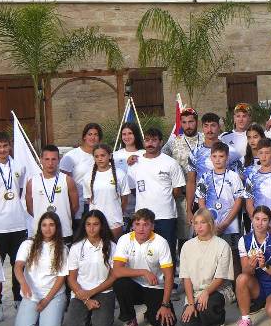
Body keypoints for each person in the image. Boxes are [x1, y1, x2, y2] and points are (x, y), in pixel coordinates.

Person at [112, 208, 177, 326]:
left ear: (152, 226)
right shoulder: (124, 240)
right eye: (137, 224)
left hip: (155, 287)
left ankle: (150, 312)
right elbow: (117, 271)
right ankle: (131, 320)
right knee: (120, 283)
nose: (141, 229)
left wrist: (165, 304)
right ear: (132, 226)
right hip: (134, 287)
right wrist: (143, 272)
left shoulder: (161, 242)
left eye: (146, 224)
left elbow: (169, 276)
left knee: (166, 325)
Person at [125, 128, 186, 263]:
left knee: (167, 254)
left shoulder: (171, 163)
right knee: (143, 254)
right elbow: (133, 189)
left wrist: (162, 199)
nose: (150, 143)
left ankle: (169, 278)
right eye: (147, 140)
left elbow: (177, 190)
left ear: (161, 142)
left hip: (166, 216)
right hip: (142, 218)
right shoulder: (135, 163)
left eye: (154, 140)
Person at [0, 131, 28, 304]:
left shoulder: (19, 167)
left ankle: (18, 299)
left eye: (5, 146)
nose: (2, 150)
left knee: (18, 263)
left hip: (18, 223)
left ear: (10, 146)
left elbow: (20, 191)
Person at [234, 206, 271, 326]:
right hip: (258, 286)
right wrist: (250, 266)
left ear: (269, 222)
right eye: (257, 219)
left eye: (264, 220)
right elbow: (245, 271)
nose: (260, 223)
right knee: (241, 278)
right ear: (251, 219)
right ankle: (245, 320)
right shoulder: (244, 240)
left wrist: (265, 267)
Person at [178, 208, 234, 326]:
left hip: (216, 290)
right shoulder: (187, 246)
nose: (199, 226)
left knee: (207, 305)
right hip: (195, 293)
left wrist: (206, 292)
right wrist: (191, 304)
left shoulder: (222, 245)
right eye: (196, 223)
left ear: (210, 224)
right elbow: (186, 278)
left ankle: (218, 318)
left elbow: (220, 277)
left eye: (203, 222)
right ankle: (205, 322)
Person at [14, 211, 68, 326]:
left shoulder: (62, 248)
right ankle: (39, 317)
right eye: (44, 225)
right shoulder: (28, 244)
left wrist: (46, 300)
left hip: (53, 295)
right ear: (39, 227)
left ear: (57, 227)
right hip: (31, 295)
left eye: (51, 225)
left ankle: (51, 316)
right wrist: (23, 283)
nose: (47, 229)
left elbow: (61, 277)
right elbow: (18, 266)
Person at [62, 209, 117, 326]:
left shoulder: (111, 246)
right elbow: (71, 279)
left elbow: (113, 276)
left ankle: (97, 316)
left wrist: (91, 292)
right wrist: (86, 299)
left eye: (95, 224)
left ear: (102, 226)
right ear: (84, 226)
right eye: (88, 224)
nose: (91, 228)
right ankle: (87, 316)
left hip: (104, 291)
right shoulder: (76, 247)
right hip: (81, 292)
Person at [195, 141, 246, 273]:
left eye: (221, 156)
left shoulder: (234, 177)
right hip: (210, 225)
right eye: (215, 156)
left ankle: (235, 285)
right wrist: (209, 222)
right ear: (211, 158)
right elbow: (201, 201)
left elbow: (238, 201)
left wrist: (226, 222)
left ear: (227, 157)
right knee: (210, 256)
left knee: (233, 256)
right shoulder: (205, 177)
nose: (218, 159)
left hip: (230, 224)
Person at [186, 113, 243, 230]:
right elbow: (191, 182)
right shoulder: (195, 153)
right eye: (206, 126)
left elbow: (239, 179)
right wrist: (188, 210)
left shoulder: (231, 152)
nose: (209, 129)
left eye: (213, 125)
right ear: (202, 128)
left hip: (227, 207)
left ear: (219, 127)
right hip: (202, 203)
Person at [162, 106, 203, 249]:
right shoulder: (173, 142)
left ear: (196, 122)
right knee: (184, 236)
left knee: (204, 234)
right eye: (184, 122)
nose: (188, 126)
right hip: (182, 197)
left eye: (191, 122)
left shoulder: (206, 138)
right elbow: (158, 158)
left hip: (205, 196)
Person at [25, 145, 77, 240]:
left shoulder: (67, 180)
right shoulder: (32, 182)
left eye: (53, 159)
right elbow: (30, 209)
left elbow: (75, 206)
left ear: (59, 160)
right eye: (47, 159)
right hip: (41, 233)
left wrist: (65, 215)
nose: (50, 163)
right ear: (41, 160)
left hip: (63, 232)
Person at [86, 143, 131, 240]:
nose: (100, 159)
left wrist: (117, 213)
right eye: (96, 156)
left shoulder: (120, 174)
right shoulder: (88, 176)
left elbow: (125, 199)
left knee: (114, 247)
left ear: (110, 156)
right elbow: (89, 200)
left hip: (114, 222)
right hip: (95, 223)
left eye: (103, 155)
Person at [59, 122, 101, 225]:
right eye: (90, 134)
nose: (93, 137)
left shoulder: (102, 155)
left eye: (96, 134)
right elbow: (63, 182)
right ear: (84, 137)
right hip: (79, 205)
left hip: (99, 202)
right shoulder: (71, 156)